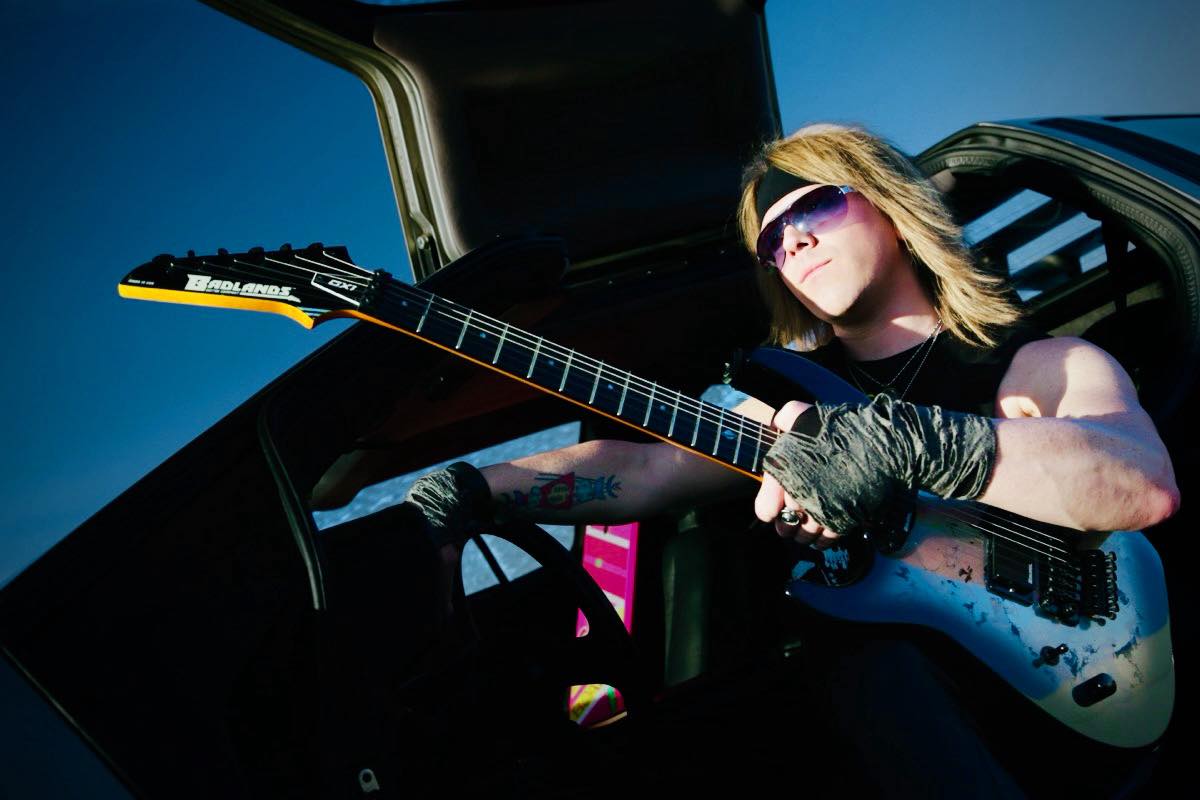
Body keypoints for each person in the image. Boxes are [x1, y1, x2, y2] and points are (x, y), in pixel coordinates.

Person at [315, 123, 1180, 796]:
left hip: (1064, 691)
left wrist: (913, 445)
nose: (790, 241)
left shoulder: (1033, 363)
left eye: (813, 207)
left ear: (888, 201)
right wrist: (472, 488)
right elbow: (647, 470)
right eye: (771, 239)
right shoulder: (791, 397)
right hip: (889, 725)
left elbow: (1140, 482)